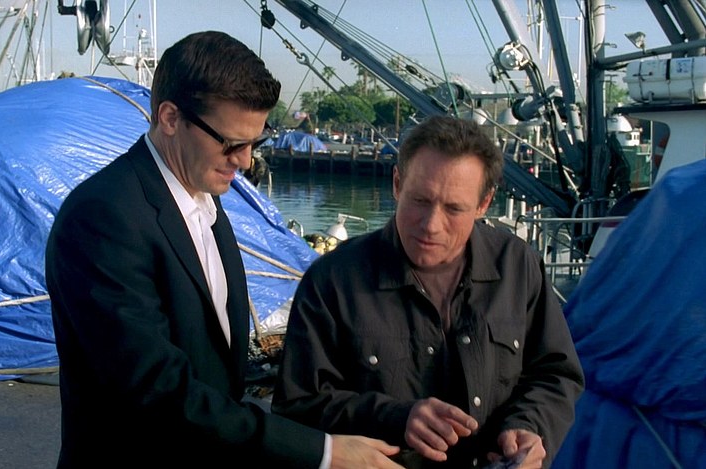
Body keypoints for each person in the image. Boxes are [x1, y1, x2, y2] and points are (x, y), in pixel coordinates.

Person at [45, 30, 405, 469]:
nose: (246, 160)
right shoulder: (103, 216)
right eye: (232, 143)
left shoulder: (204, 199)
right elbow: (156, 389)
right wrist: (324, 452)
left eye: (256, 142)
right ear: (170, 117)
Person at [271, 116, 584, 469]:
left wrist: (528, 427)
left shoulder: (518, 266)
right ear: (397, 184)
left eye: (454, 209)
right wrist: (395, 418)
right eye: (420, 200)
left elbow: (555, 373)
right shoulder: (332, 281)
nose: (431, 225)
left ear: (484, 204)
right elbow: (296, 407)